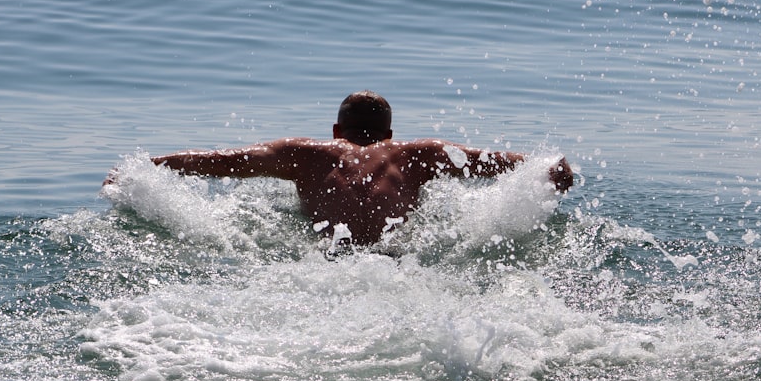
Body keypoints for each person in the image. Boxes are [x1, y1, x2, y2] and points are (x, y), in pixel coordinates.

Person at [111, 91, 574, 245]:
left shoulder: (304, 153)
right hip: (396, 265)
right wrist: (548, 167)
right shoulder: (420, 153)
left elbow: (222, 163)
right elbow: (497, 164)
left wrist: (143, 168)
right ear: (391, 133)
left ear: (336, 129)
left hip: (328, 264)